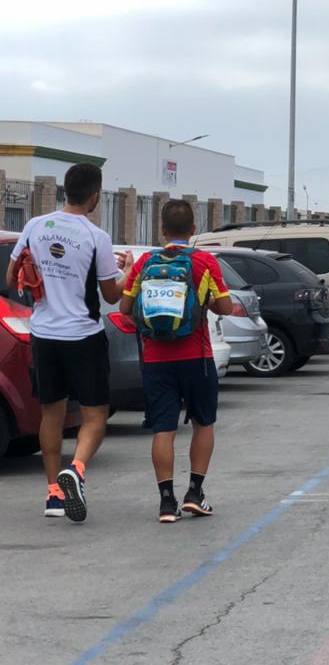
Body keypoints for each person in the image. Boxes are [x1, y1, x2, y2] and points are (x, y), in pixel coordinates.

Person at [4, 163, 122, 521]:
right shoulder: (96, 237)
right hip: (84, 335)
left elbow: (11, 277)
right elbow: (111, 295)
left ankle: (54, 493)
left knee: (51, 414)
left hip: (44, 334)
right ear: (95, 196)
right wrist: (129, 271)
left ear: (63, 191)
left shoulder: (34, 226)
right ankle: (78, 469)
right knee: (94, 415)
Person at [119, 199, 235, 523]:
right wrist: (206, 302)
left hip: (156, 359)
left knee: (163, 429)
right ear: (193, 229)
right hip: (197, 357)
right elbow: (226, 307)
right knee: (203, 423)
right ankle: (195, 493)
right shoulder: (204, 261)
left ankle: (166, 503)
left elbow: (125, 308)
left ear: (162, 229)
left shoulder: (145, 262)